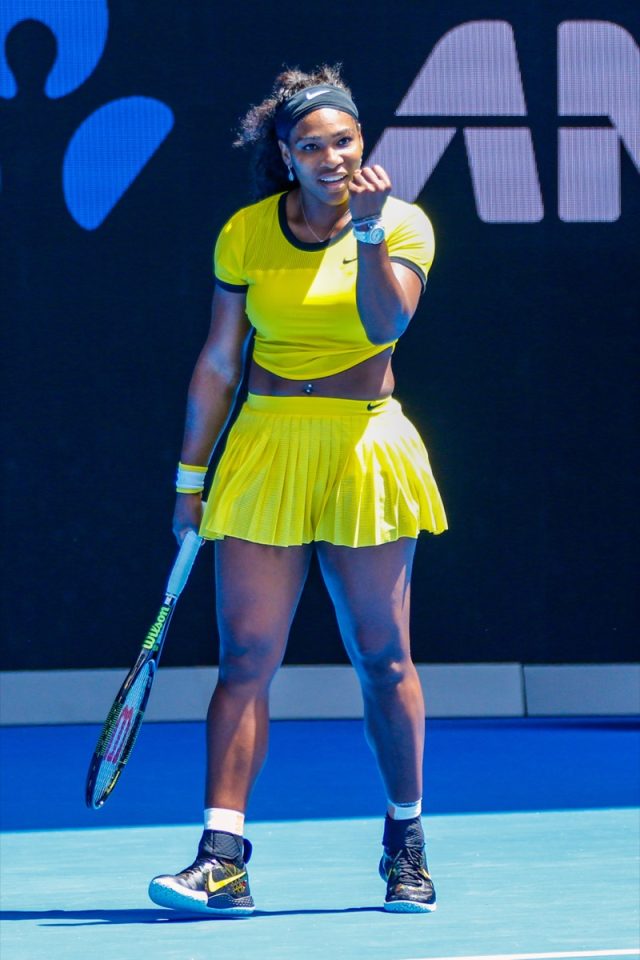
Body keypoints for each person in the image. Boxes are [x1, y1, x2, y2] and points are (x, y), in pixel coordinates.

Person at [148, 64, 447, 917]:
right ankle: (222, 858)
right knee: (246, 655)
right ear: (286, 154)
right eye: (311, 145)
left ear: (363, 143)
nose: (330, 157)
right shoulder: (245, 233)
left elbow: (385, 324)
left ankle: (406, 839)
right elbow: (218, 362)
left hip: (365, 448)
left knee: (383, 659)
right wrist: (189, 478)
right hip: (268, 446)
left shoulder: (404, 225)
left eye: (343, 141)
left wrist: (367, 233)